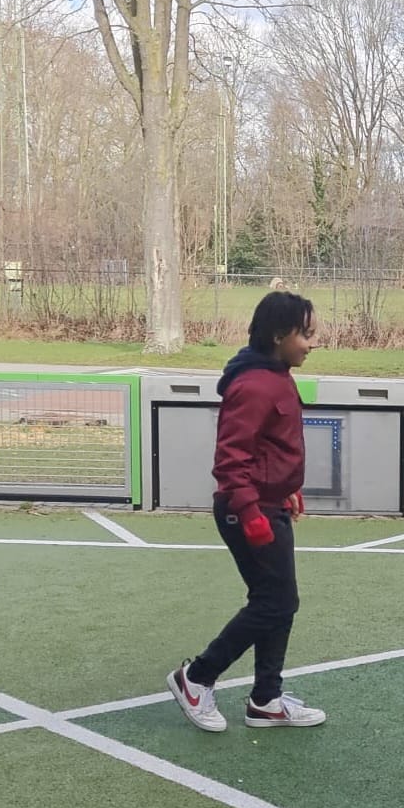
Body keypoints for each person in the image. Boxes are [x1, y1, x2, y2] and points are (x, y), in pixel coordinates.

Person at [166, 291, 327, 732]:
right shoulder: (254, 385)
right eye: (306, 334)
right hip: (247, 510)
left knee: (277, 602)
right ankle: (196, 677)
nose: (312, 343)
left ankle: (266, 699)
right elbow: (230, 460)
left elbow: (270, 446)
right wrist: (251, 511)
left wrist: (287, 489)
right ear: (279, 335)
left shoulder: (277, 375)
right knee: (276, 601)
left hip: (269, 503)